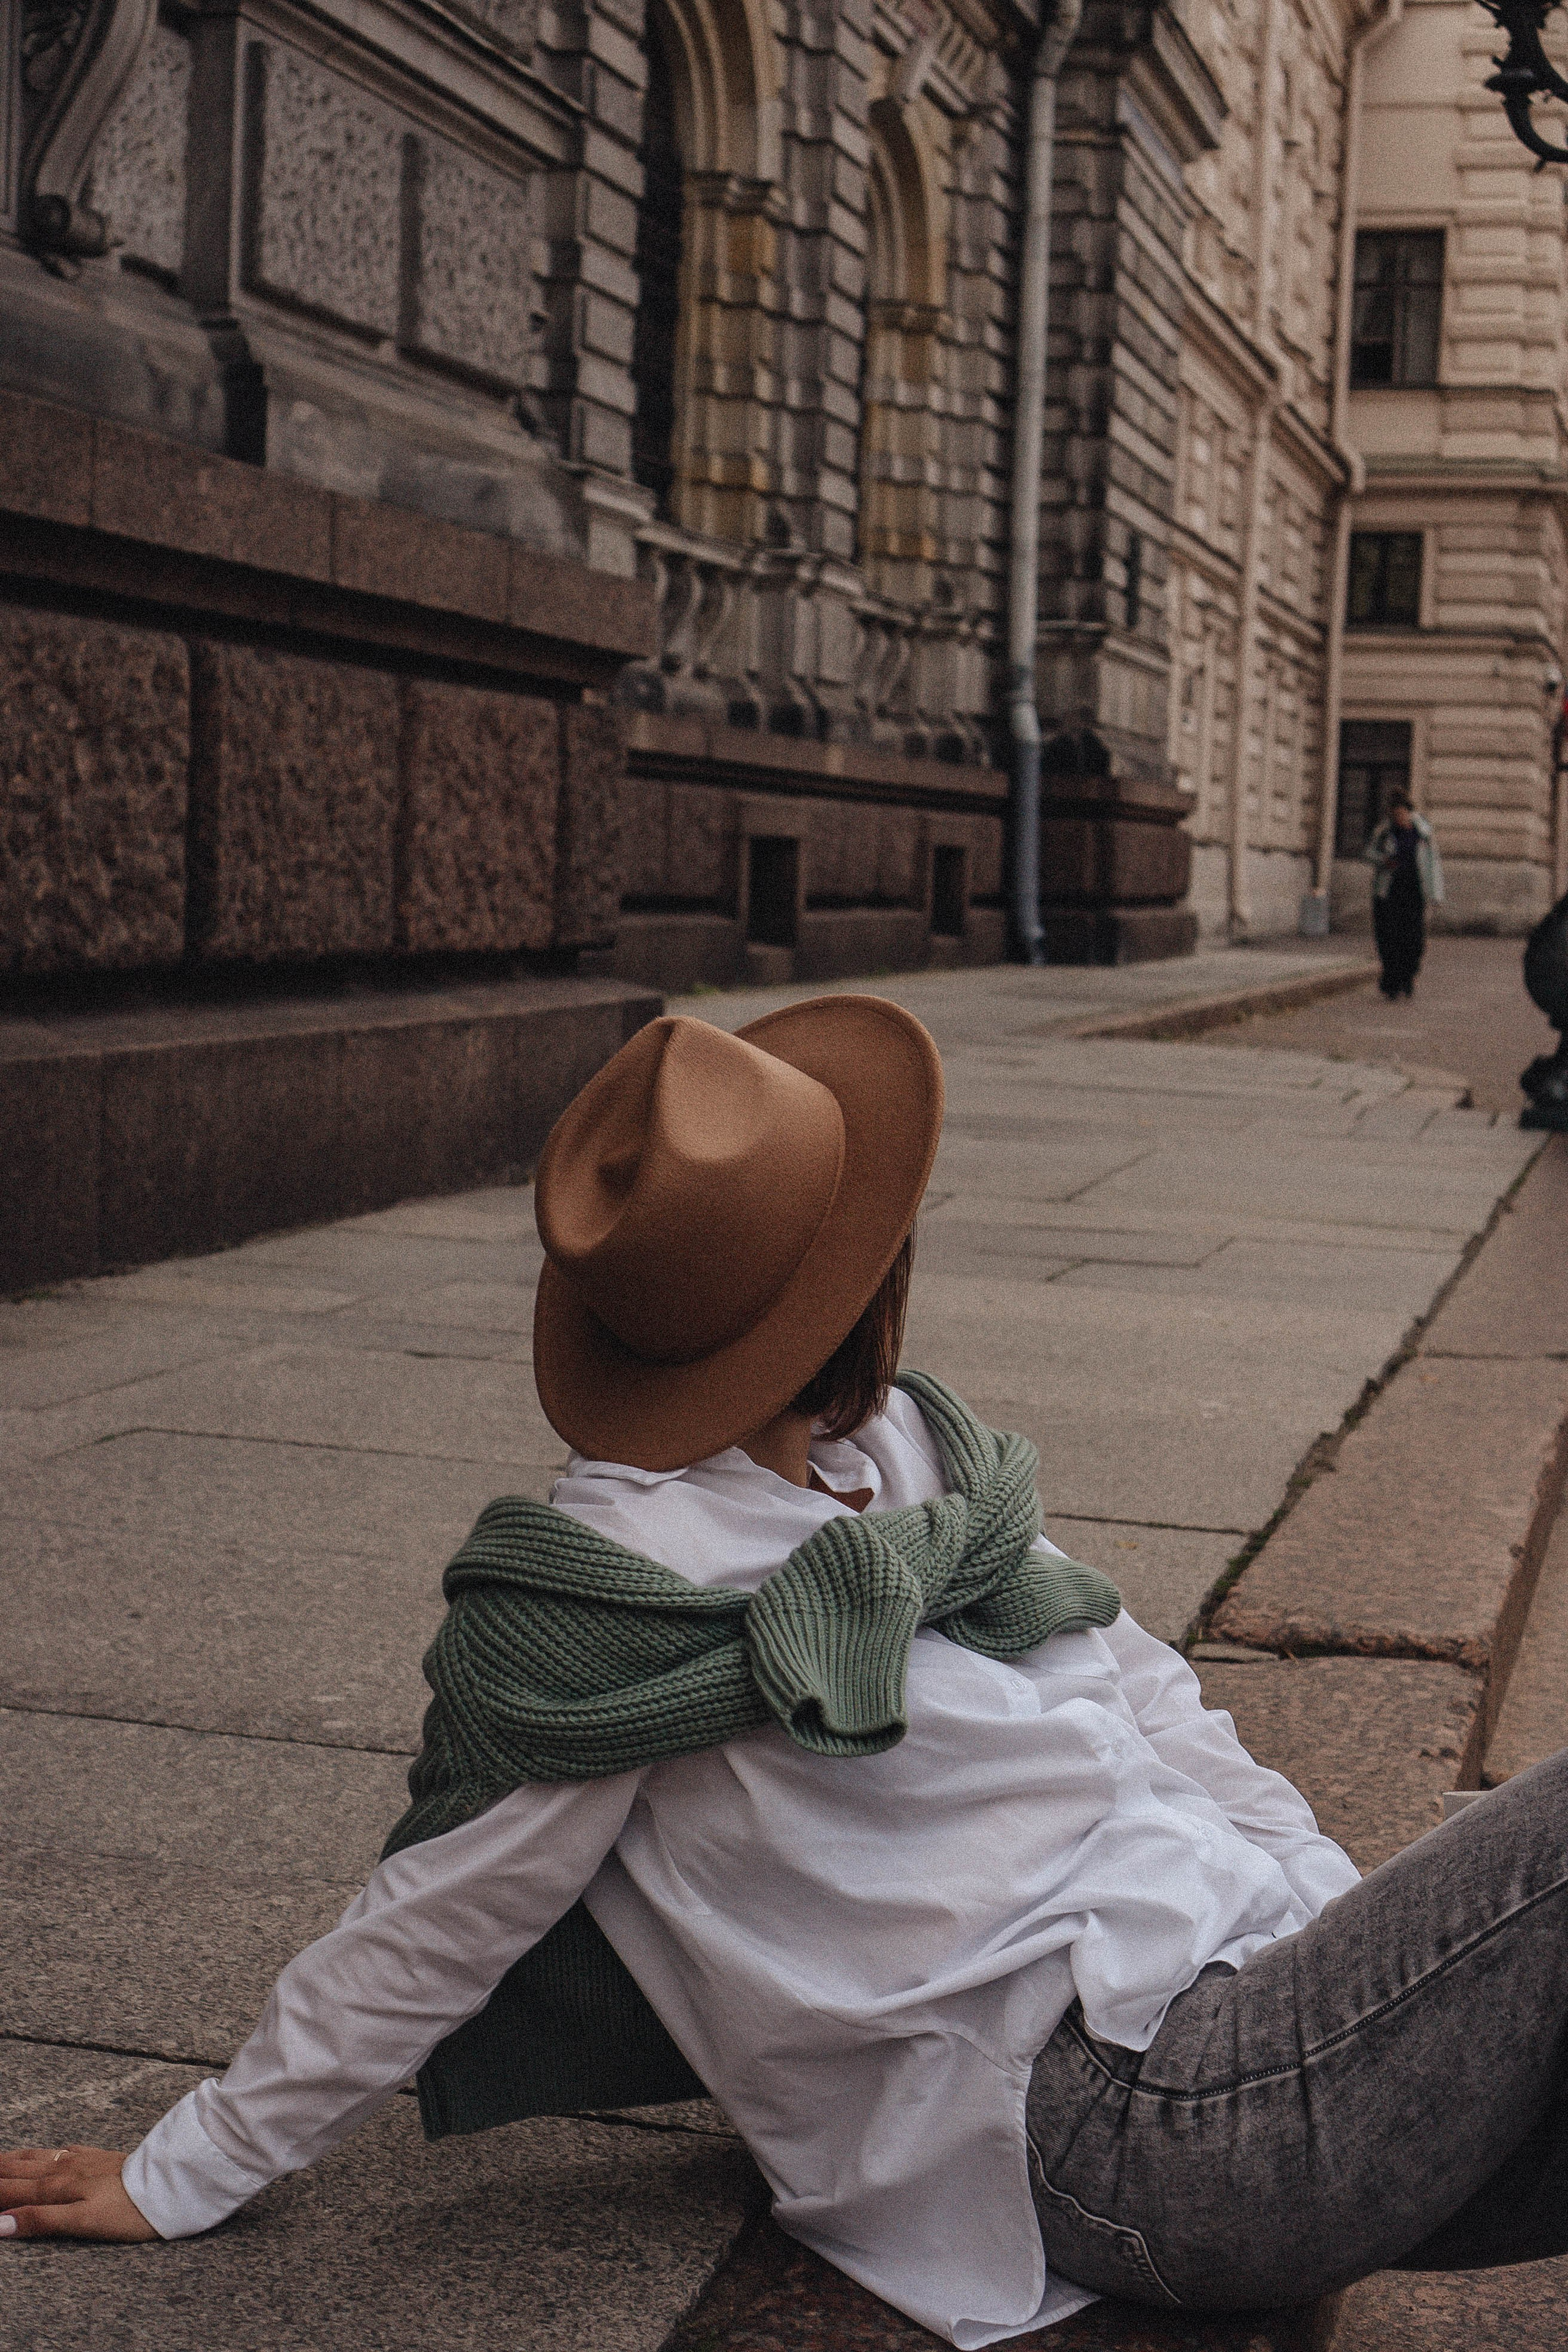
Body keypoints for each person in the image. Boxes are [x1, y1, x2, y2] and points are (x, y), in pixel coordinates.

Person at [7, 997, 1568, 2343]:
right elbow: (433, 1919)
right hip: (1111, 2127)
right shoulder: (606, 1598)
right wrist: (191, 2160)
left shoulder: (909, 1451)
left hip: (1252, 2001)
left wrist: (1348, 1931)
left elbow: (1146, 1694)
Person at [1366, 790, 1444, 998]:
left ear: (1409, 813)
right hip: (1388, 893)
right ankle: (1391, 983)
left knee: (1414, 940)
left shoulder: (1423, 834)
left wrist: (1435, 893)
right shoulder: (1385, 831)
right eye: (1396, 815)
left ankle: (1408, 977)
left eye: (1402, 814)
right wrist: (1383, 860)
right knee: (1389, 939)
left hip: (1414, 893)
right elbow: (1369, 853)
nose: (1400, 818)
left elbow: (1433, 864)